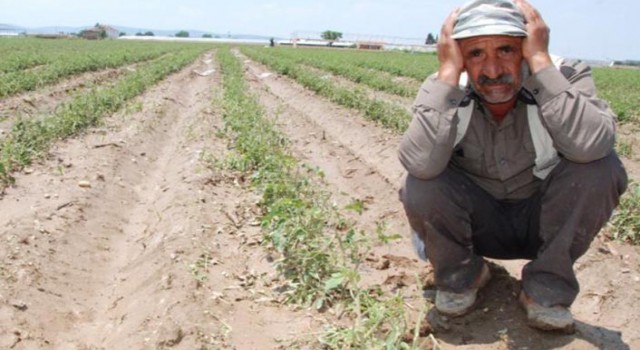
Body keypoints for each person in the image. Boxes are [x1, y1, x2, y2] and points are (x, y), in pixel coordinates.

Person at [399, 0, 628, 333]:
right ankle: (463, 276)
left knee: (600, 168)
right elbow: (420, 164)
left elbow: (592, 145)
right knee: (421, 182)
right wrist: (448, 73)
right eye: (475, 53)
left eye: (507, 49)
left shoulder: (564, 76)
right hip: (477, 226)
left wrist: (541, 64)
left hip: (544, 223)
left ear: (528, 46)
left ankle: (546, 289)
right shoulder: (444, 87)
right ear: (459, 56)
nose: (493, 70)